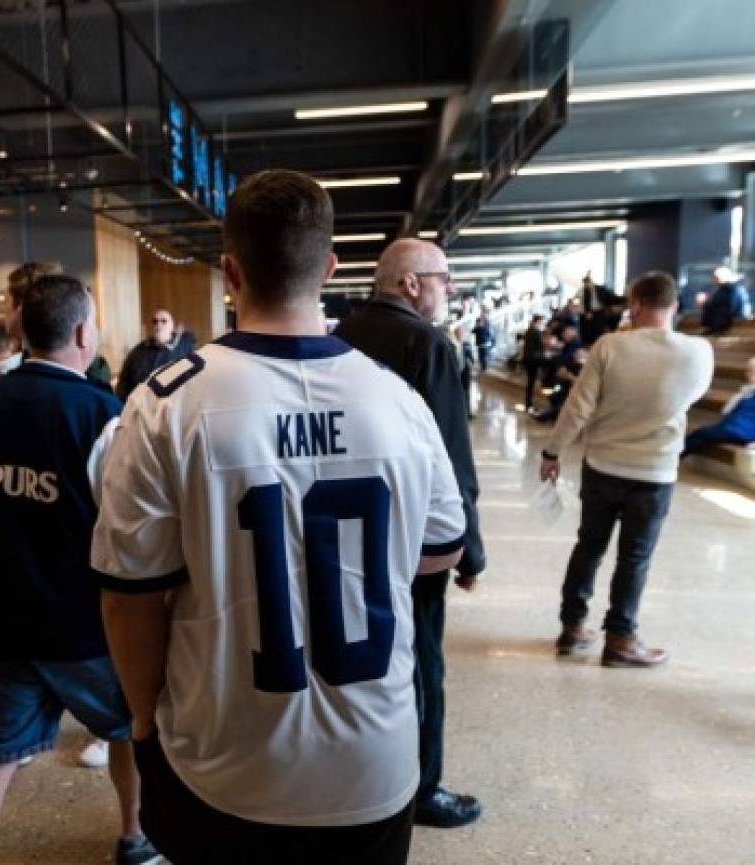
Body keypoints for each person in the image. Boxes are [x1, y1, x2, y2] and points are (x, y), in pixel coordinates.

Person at [94, 170, 467, 864]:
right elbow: (442, 546)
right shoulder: (396, 400)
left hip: (224, 758)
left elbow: (130, 597)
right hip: (373, 760)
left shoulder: (165, 403)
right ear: (328, 268)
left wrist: (145, 719)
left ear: (230, 270)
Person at [0, 275, 158, 865]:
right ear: (83, 332)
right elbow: (131, 530)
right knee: (132, 732)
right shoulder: (105, 416)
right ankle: (135, 841)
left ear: (21, 330)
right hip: (86, 628)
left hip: (5, 626)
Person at [333, 236, 487, 829]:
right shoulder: (428, 346)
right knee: (421, 660)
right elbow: (451, 458)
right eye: (444, 278)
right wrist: (468, 550)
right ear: (411, 283)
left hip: (343, 531)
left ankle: (353, 771)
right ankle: (422, 787)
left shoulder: (338, 339)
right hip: (414, 541)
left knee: (351, 654)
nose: (451, 288)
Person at [541, 271, 713, 668]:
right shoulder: (698, 351)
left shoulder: (610, 345)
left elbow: (578, 407)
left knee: (589, 547)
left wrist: (552, 453)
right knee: (634, 558)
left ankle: (572, 628)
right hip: (655, 473)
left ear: (634, 304)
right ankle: (620, 638)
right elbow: (691, 396)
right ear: (674, 306)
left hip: (603, 466)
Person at [115, 309, 197, 402]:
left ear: (172, 326)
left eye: (164, 321)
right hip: (142, 407)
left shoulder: (184, 348)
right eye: (155, 321)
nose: (158, 325)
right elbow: (123, 383)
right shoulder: (137, 352)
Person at [684, 357, 755, 454]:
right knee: (703, 433)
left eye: (752, 371)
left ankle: (674, 458)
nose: (747, 374)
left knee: (702, 433)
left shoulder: (749, 392)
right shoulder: (747, 391)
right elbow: (728, 411)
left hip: (742, 432)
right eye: (748, 371)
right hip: (733, 428)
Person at [700, 266, 751, 335]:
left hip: (733, 326)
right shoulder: (722, 290)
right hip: (723, 325)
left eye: (716, 278)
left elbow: (730, 308)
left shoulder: (734, 290)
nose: (713, 280)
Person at [522, 315, 548, 411]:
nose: (543, 325)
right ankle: (529, 404)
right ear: (537, 322)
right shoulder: (536, 332)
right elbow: (542, 344)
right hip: (533, 360)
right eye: (541, 323)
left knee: (530, 382)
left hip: (528, 359)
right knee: (532, 382)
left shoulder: (529, 331)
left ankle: (529, 404)